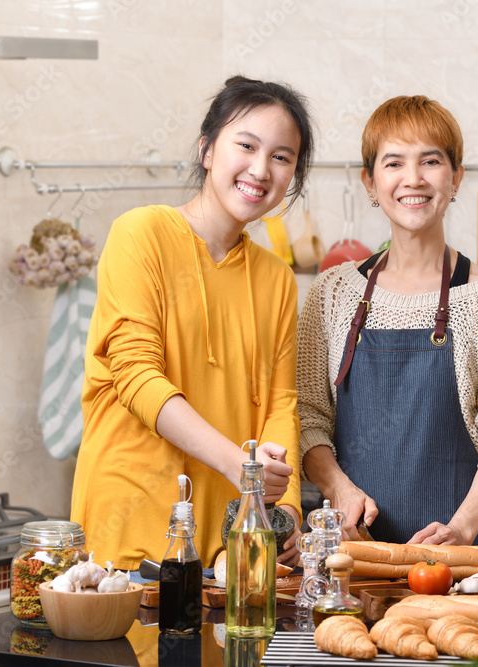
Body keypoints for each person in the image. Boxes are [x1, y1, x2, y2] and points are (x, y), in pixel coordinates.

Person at [71, 76, 314, 571]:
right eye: (246, 145)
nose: (260, 168)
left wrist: (284, 505)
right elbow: (136, 376)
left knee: (228, 650)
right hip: (134, 523)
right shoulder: (141, 234)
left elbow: (280, 406)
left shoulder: (276, 279)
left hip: (231, 538)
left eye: (282, 157)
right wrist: (242, 470)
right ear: (207, 150)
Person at [297, 96, 478, 548]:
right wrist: (337, 487)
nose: (413, 179)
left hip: (462, 557)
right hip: (351, 554)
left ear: (456, 178)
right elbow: (307, 416)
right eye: (394, 163)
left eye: (430, 161)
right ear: (370, 183)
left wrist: (462, 528)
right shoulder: (331, 294)